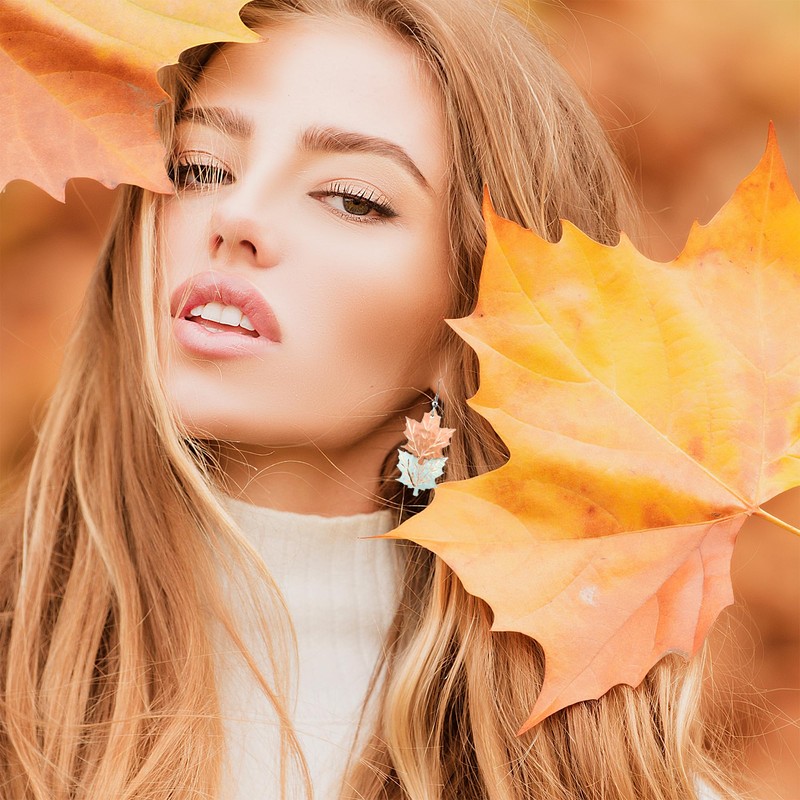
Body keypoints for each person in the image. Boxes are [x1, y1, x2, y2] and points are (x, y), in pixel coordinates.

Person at [0, 1, 738, 798]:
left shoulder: (614, 778)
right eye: (200, 168)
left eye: (352, 198)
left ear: (485, 328)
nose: (238, 214)